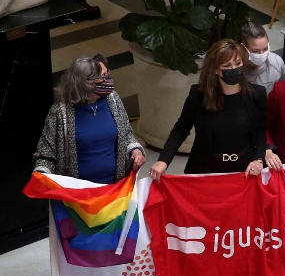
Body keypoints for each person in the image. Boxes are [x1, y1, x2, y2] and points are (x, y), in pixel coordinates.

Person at [149, 40, 267, 179]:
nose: (234, 69)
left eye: (238, 63)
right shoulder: (199, 95)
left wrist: (259, 159)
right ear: (216, 69)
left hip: (244, 170)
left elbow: (260, 131)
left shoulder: (257, 94)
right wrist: (164, 160)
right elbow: (181, 129)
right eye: (227, 65)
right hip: (205, 168)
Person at [33, 54, 146, 184]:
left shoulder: (113, 100)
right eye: (103, 77)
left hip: (115, 189)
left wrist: (136, 151)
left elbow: (126, 134)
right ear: (85, 83)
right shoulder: (59, 112)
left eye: (107, 73)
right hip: (77, 195)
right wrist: (41, 174)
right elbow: (46, 153)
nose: (108, 79)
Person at [240, 21, 285, 96]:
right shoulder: (236, 69)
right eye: (256, 51)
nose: (262, 54)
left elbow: (284, 87)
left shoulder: (277, 62)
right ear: (243, 47)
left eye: (265, 49)